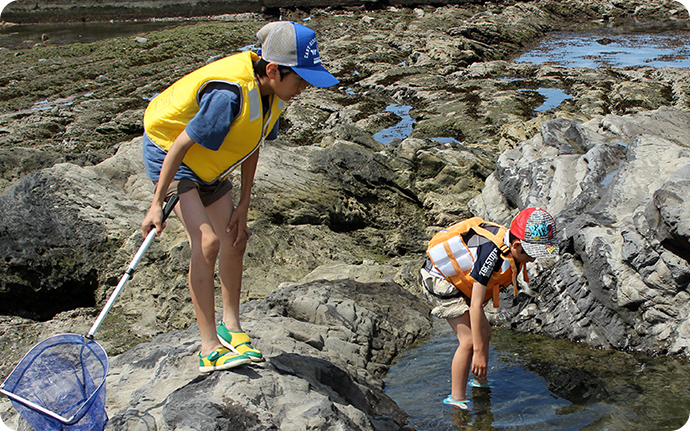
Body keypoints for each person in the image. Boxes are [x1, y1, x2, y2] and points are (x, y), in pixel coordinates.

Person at [140, 21, 339, 373]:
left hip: (211, 166)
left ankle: (230, 328)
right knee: (207, 244)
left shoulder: (272, 94)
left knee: (235, 237)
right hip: (175, 159)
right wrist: (156, 205)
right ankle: (208, 347)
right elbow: (181, 145)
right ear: (275, 70)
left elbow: (252, 144)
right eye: (301, 80)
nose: (304, 88)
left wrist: (244, 204)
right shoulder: (229, 95)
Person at [419, 208, 559, 408]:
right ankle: (456, 399)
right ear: (517, 245)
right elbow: (475, 305)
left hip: (460, 281)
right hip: (440, 280)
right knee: (468, 342)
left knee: (485, 332)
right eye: (532, 254)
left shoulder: (509, 246)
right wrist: (479, 353)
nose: (534, 260)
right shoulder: (491, 253)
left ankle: (479, 380)